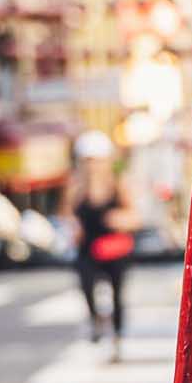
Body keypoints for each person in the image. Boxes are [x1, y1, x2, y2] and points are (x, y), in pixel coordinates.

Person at [71, 132, 140, 358]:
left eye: (97, 160)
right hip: (88, 248)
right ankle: (95, 320)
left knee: (117, 295)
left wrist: (120, 218)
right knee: (86, 284)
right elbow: (67, 215)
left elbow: (134, 216)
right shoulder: (75, 188)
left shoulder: (117, 184)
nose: (93, 166)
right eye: (88, 161)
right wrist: (72, 227)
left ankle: (118, 337)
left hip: (113, 248)